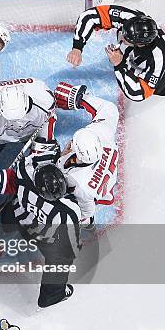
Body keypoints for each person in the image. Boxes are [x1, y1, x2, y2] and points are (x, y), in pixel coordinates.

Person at [2, 149, 81, 308]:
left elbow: (31, 157)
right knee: (62, 259)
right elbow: (70, 247)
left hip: (20, 218)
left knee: (12, 209)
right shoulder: (69, 212)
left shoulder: (24, 172)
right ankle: (52, 296)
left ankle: (6, 225)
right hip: (42, 236)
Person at [67, 5, 165, 101]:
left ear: (139, 44)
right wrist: (77, 47)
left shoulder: (158, 59)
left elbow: (138, 93)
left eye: (127, 38)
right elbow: (89, 16)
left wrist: (119, 65)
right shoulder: (130, 18)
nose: (121, 36)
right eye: (123, 31)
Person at [54, 82, 119, 224]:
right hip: (103, 178)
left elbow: (87, 213)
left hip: (94, 193)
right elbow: (110, 109)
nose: (70, 143)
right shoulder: (102, 133)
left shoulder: (79, 183)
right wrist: (80, 98)